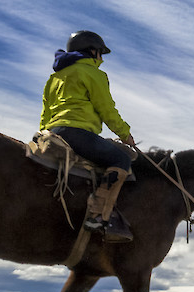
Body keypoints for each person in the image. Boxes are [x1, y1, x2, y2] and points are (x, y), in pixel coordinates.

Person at [40, 30, 134, 243]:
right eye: (101, 53)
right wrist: (125, 134)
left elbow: (46, 111)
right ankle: (98, 216)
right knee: (122, 159)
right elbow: (106, 109)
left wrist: (43, 133)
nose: (102, 58)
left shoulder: (54, 78)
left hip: (54, 131)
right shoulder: (94, 74)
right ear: (92, 51)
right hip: (78, 132)